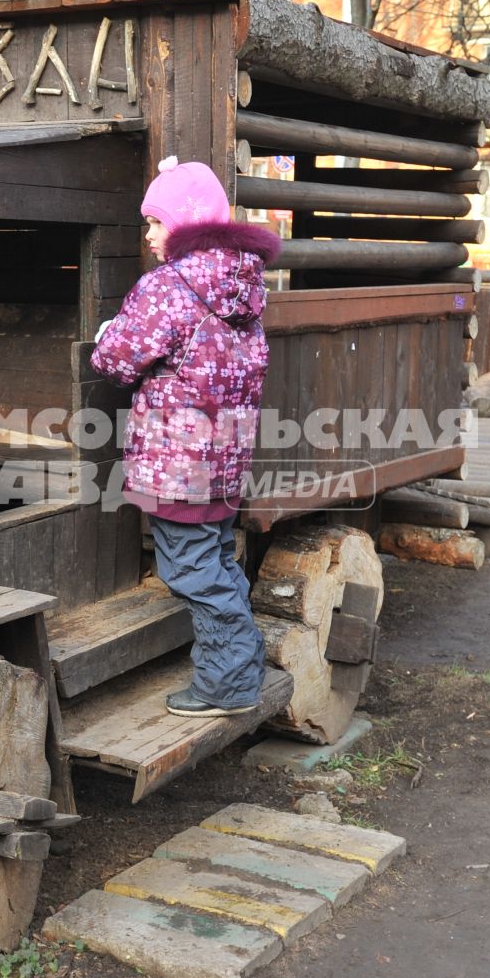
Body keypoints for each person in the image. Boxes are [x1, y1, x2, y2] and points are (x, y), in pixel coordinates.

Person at [91, 156, 281, 718]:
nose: (148, 234)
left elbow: (115, 359)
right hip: (223, 462)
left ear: (186, 220)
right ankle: (243, 667)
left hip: (178, 463)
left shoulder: (170, 287)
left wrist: (108, 331)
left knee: (192, 571)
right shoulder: (243, 284)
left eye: (155, 221)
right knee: (217, 562)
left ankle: (227, 685)